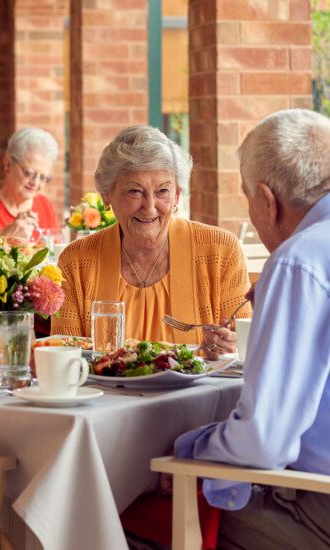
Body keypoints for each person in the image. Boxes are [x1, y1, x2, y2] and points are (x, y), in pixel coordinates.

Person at [174, 109, 330, 549]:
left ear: (266, 198)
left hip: (318, 506)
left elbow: (264, 442)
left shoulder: (300, 258)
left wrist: (188, 452)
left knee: (138, 515)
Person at [52, 124, 250, 357]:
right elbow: (65, 354)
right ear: (107, 194)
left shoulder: (221, 251)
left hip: (193, 391)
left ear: (176, 195)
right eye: (135, 191)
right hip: (106, 393)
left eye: (162, 191)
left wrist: (227, 346)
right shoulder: (76, 261)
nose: (150, 207)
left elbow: (247, 346)